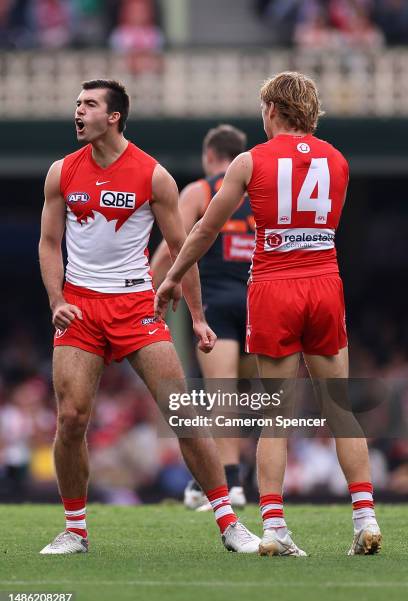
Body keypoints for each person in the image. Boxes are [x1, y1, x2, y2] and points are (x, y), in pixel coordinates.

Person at [155, 71, 382, 557]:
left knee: (275, 414)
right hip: (324, 282)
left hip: (274, 287)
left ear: (274, 109)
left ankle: (275, 527)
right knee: (338, 408)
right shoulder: (338, 161)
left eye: (264, 109)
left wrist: (173, 276)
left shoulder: (250, 160)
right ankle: (365, 518)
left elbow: (205, 229)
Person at [38, 79, 260, 555]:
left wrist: (198, 318)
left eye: (89, 105)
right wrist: (56, 299)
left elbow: (185, 250)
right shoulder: (61, 172)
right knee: (72, 418)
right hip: (80, 306)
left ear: (114, 116)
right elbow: (49, 243)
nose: (78, 111)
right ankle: (75, 530)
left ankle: (228, 521)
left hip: (136, 306)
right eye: (77, 103)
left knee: (182, 412)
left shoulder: (153, 176)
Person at [151, 124, 256, 511]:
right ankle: (223, 482)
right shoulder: (257, 192)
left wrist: (150, 285)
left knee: (221, 396)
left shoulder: (201, 191)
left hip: (216, 304)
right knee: (251, 396)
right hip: (258, 304)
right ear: (240, 156)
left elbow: (173, 245)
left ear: (210, 156)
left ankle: (228, 483)